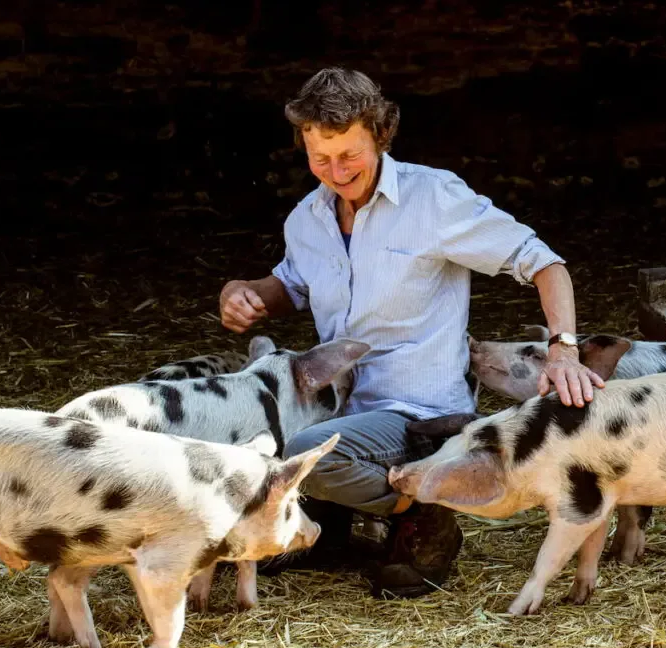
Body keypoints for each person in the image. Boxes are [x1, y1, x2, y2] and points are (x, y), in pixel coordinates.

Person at [219, 66, 605, 599]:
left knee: (313, 453)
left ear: (380, 135)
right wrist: (247, 292)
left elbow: (544, 263)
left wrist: (563, 350)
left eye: (349, 155)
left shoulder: (434, 199)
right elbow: (291, 284)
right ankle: (331, 528)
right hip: (342, 404)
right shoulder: (307, 217)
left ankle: (426, 509)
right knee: (246, 436)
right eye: (320, 159)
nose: (335, 171)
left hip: (420, 413)